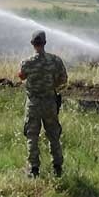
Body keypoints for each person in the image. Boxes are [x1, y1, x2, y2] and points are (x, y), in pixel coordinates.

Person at [18, 30, 67, 178]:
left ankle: (34, 169)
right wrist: (52, 86)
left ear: (33, 44)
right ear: (45, 43)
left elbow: (21, 76)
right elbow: (63, 79)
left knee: (32, 136)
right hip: (50, 103)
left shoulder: (27, 63)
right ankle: (57, 168)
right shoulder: (55, 61)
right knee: (53, 135)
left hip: (33, 104)